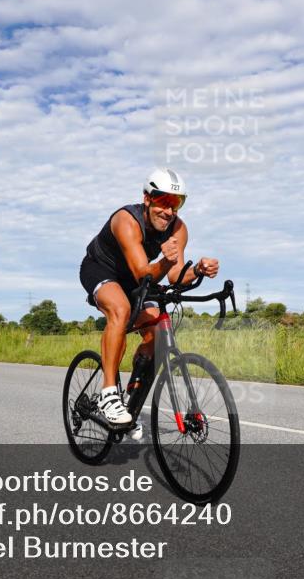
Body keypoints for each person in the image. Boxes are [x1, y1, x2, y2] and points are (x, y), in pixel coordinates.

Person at [79, 168, 219, 437]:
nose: (169, 211)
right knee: (120, 309)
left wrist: (198, 270)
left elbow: (176, 275)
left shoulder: (178, 228)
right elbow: (144, 272)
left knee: (156, 330)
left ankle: (129, 402)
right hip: (101, 269)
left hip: (136, 279)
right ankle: (109, 393)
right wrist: (164, 261)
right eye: (163, 201)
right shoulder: (126, 220)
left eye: (175, 203)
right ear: (147, 198)